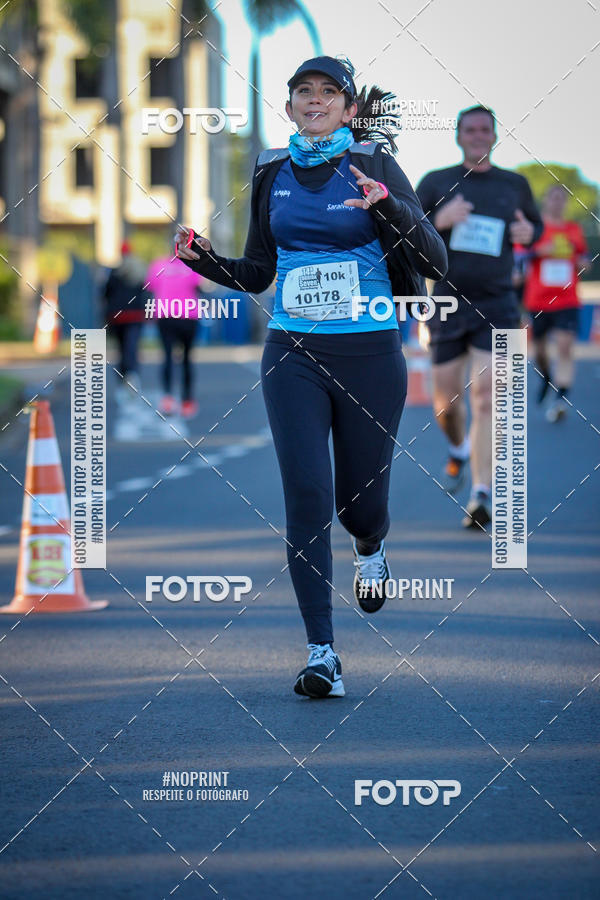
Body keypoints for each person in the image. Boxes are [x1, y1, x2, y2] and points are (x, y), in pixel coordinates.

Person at [175, 56, 447, 698]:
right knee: (305, 496)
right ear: (291, 105)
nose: (316, 100)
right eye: (304, 92)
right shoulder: (272, 171)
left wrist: (389, 208)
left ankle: (371, 544)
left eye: (330, 93)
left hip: (371, 353)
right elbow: (259, 271)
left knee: (360, 502)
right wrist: (205, 260)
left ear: (351, 108)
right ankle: (322, 652)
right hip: (292, 353)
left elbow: (437, 260)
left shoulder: (375, 167)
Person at [416, 106, 543, 529]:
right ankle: (457, 451)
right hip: (447, 303)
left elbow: (535, 228)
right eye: (469, 129)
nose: (477, 136)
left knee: (488, 398)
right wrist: (439, 219)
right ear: (458, 136)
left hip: (499, 303)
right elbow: (406, 237)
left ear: (494, 136)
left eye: (484, 129)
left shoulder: (514, 185)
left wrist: (530, 234)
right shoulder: (436, 182)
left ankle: (481, 493)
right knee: (445, 404)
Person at [523, 184, 589, 423]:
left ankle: (561, 398)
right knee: (539, 350)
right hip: (538, 300)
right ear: (546, 201)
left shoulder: (574, 229)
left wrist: (583, 263)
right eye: (554, 198)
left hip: (567, 298)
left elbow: (584, 257)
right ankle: (547, 377)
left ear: (566, 203)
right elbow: (520, 257)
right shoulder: (535, 229)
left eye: (562, 199)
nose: (557, 203)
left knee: (564, 346)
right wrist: (541, 251)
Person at [146, 251, 203, 418]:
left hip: (166, 316)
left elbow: (150, 288)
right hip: (188, 316)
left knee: (167, 356)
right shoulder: (192, 267)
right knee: (186, 358)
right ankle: (187, 402)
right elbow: (198, 288)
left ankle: (168, 400)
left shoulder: (158, 265)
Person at [102, 241, 149, 401]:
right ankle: (133, 375)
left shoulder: (114, 272)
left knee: (121, 349)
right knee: (132, 347)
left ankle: (123, 380)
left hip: (117, 316)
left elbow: (105, 293)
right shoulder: (139, 271)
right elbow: (146, 293)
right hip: (135, 315)